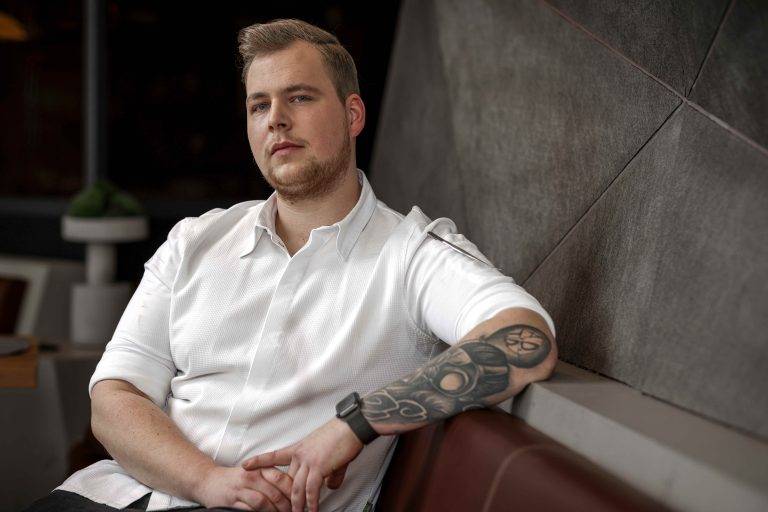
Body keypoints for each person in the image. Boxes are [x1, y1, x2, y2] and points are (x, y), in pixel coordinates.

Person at [24, 18, 557, 512]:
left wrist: (358, 422)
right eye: (259, 106)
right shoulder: (195, 240)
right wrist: (205, 480)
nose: (276, 119)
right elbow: (115, 396)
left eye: (299, 97)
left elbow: (525, 338)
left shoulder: (412, 255)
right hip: (112, 495)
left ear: (353, 115)